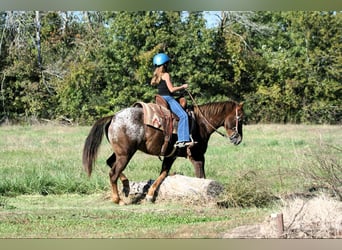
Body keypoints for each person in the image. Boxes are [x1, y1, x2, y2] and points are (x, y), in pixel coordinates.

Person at [150, 53, 194, 148]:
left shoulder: (157, 76)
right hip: (168, 98)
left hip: (160, 98)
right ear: (165, 64)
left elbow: (165, 89)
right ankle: (182, 140)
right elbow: (171, 90)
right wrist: (183, 86)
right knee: (184, 116)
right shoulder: (166, 75)